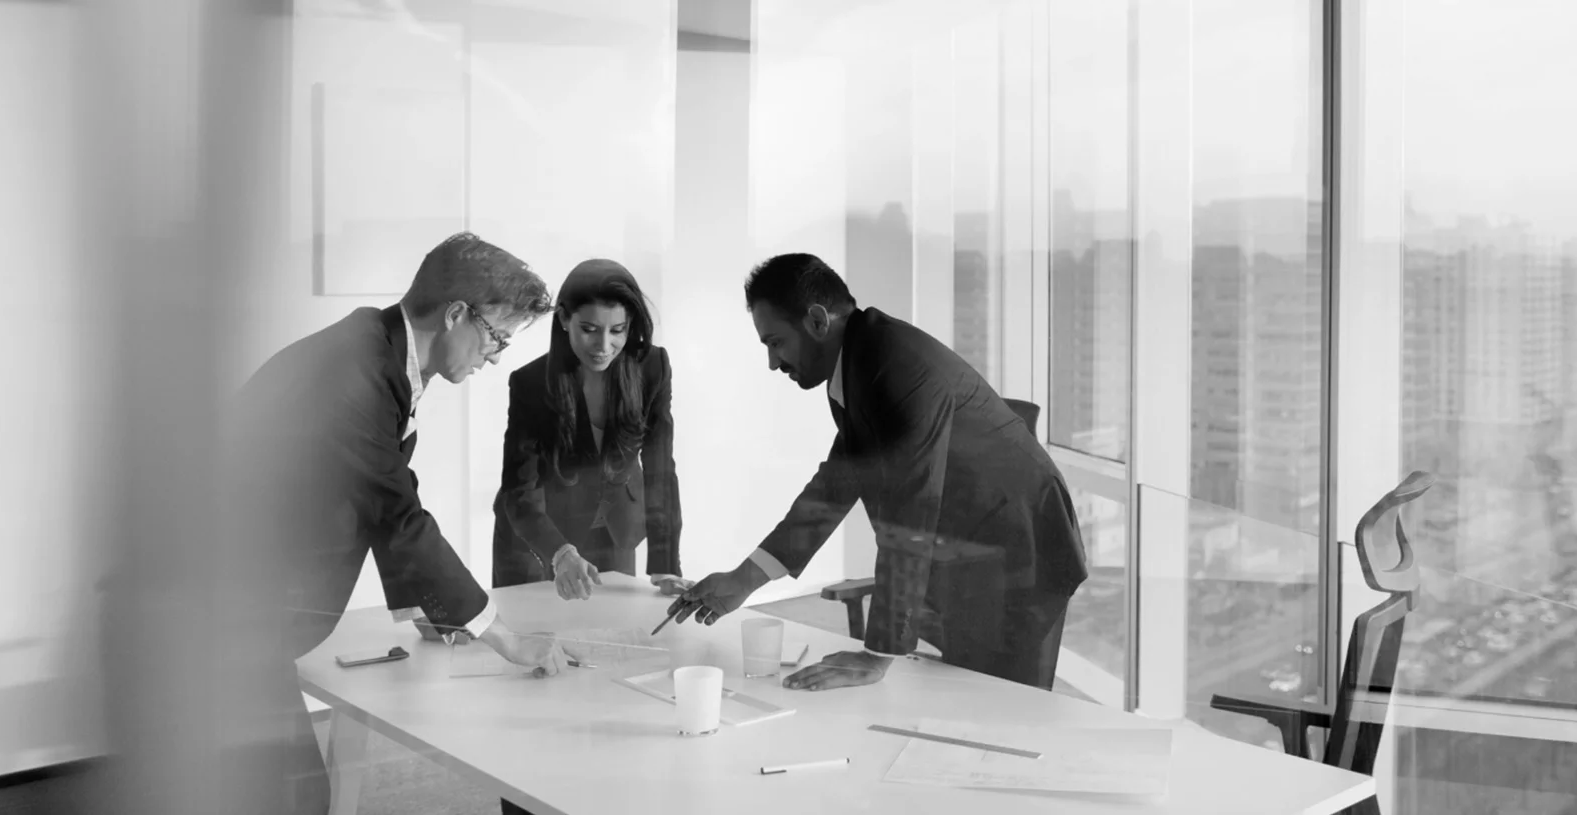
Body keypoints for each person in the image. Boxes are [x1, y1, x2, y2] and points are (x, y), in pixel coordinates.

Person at [223, 232, 580, 814]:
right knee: (292, 798)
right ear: (456, 314)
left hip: (237, 620)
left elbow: (379, 497)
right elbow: (399, 514)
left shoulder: (375, 353)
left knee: (293, 795)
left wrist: (434, 611)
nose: (496, 356)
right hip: (218, 621)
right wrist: (507, 640)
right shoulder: (355, 373)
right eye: (497, 337)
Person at [669, 253, 1088, 693]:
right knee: (963, 701)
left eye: (776, 342)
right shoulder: (857, 367)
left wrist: (876, 655)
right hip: (970, 547)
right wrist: (744, 580)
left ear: (817, 321)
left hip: (1020, 548)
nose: (774, 362)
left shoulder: (897, 367)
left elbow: (910, 511)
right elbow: (834, 487)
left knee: (1003, 706)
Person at [492, 260, 687, 601]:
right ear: (564, 319)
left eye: (618, 330)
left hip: (616, 529)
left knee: (614, 628)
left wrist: (665, 564)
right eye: (589, 329)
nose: (603, 345)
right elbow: (520, 488)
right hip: (538, 535)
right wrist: (560, 553)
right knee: (534, 627)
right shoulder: (530, 383)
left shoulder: (652, 367)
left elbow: (660, 469)